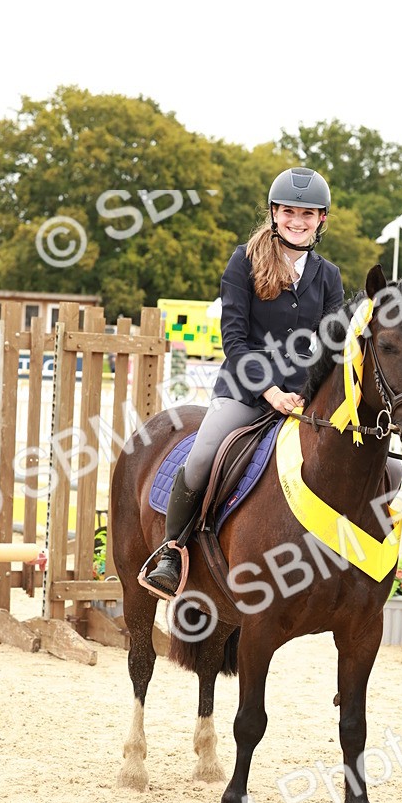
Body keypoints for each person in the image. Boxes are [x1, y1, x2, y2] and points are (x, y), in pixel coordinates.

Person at [145, 167, 344, 597]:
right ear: (274, 213)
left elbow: (331, 346)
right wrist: (270, 390)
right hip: (246, 391)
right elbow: (234, 338)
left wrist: (317, 397)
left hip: (304, 400)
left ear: (321, 220)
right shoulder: (245, 260)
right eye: (289, 211)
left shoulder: (329, 276)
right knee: (200, 457)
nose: (298, 221)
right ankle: (171, 551)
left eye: (307, 214)